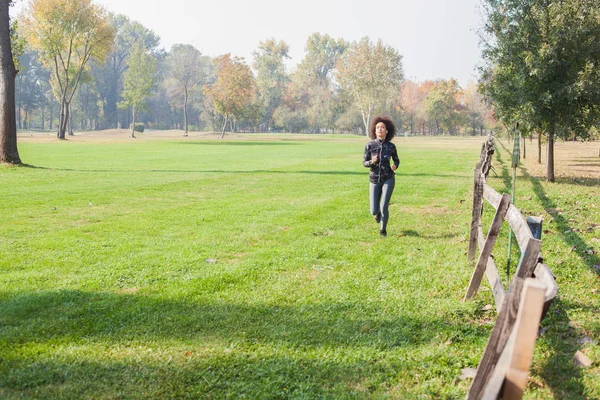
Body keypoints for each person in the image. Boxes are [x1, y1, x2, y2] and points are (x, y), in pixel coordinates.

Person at [362, 116, 400, 237]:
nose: (380, 129)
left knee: (384, 205)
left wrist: (395, 165)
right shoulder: (369, 145)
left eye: (383, 127)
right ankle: (377, 214)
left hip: (388, 178)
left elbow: (397, 160)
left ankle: (383, 230)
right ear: (374, 130)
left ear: (387, 131)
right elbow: (364, 163)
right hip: (374, 179)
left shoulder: (391, 146)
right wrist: (371, 162)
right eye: (378, 127)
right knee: (374, 210)